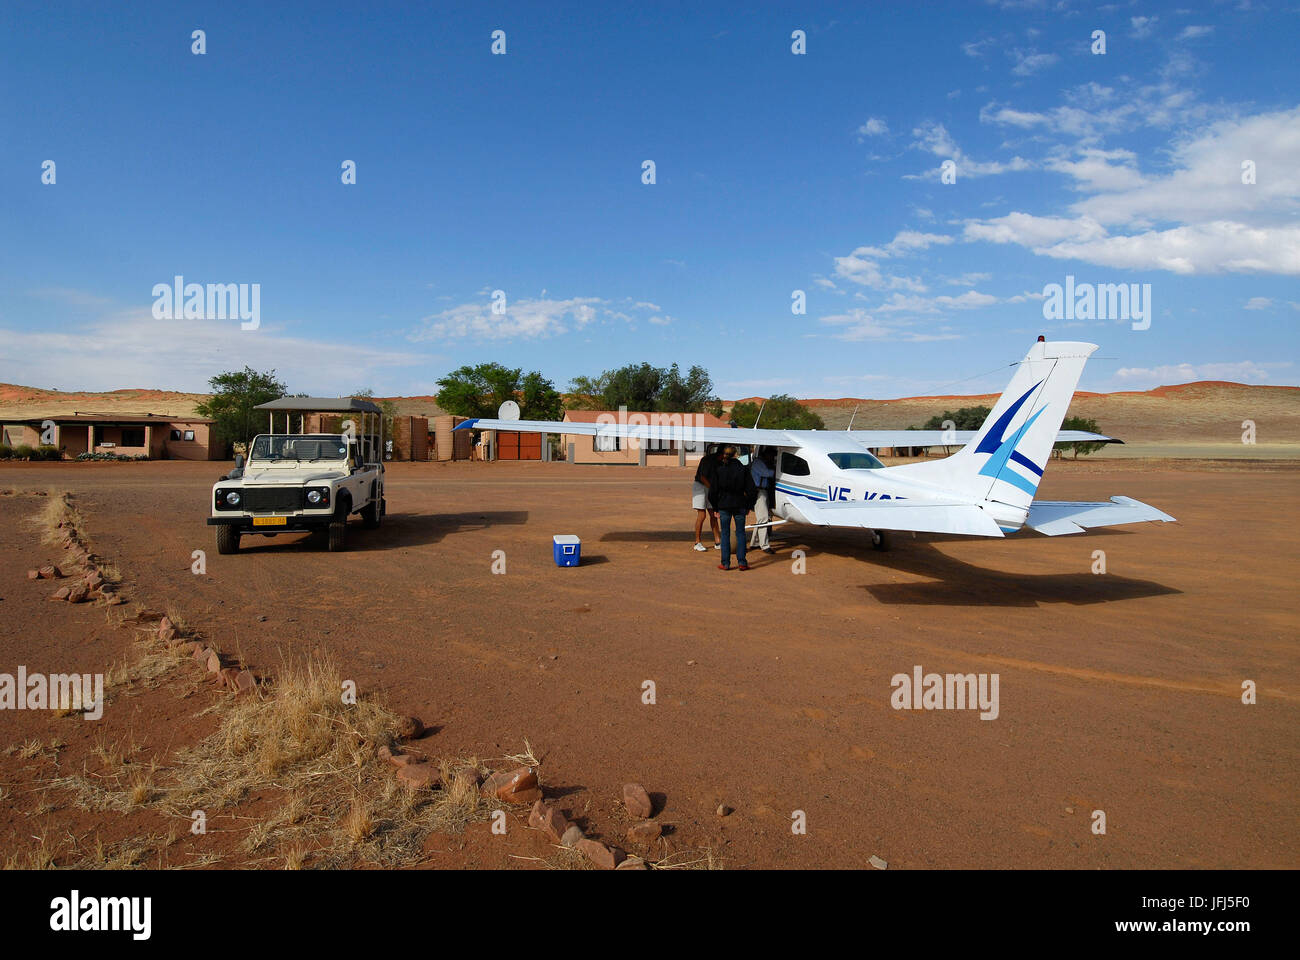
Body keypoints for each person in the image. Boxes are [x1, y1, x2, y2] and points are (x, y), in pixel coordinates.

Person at [709, 445, 758, 571]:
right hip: (740, 504)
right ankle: (742, 562)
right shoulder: (743, 468)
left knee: (725, 534)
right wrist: (749, 505)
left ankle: (725, 563)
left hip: (723, 505)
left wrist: (715, 508)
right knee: (740, 533)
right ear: (736, 454)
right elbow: (752, 490)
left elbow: (713, 491)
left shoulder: (719, 469)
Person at [692, 444, 722, 552]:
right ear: (721, 454)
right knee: (702, 515)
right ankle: (697, 542)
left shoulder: (721, 462)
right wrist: (713, 489)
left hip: (710, 486)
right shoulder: (707, 460)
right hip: (700, 485)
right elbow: (702, 477)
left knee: (713, 514)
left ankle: (718, 541)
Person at [749, 446, 776, 553]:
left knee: (761, 518)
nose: (772, 458)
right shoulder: (758, 463)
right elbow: (768, 473)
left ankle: (755, 542)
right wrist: (777, 469)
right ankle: (764, 545)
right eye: (772, 456)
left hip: (764, 491)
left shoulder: (762, 462)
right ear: (766, 455)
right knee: (764, 518)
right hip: (759, 492)